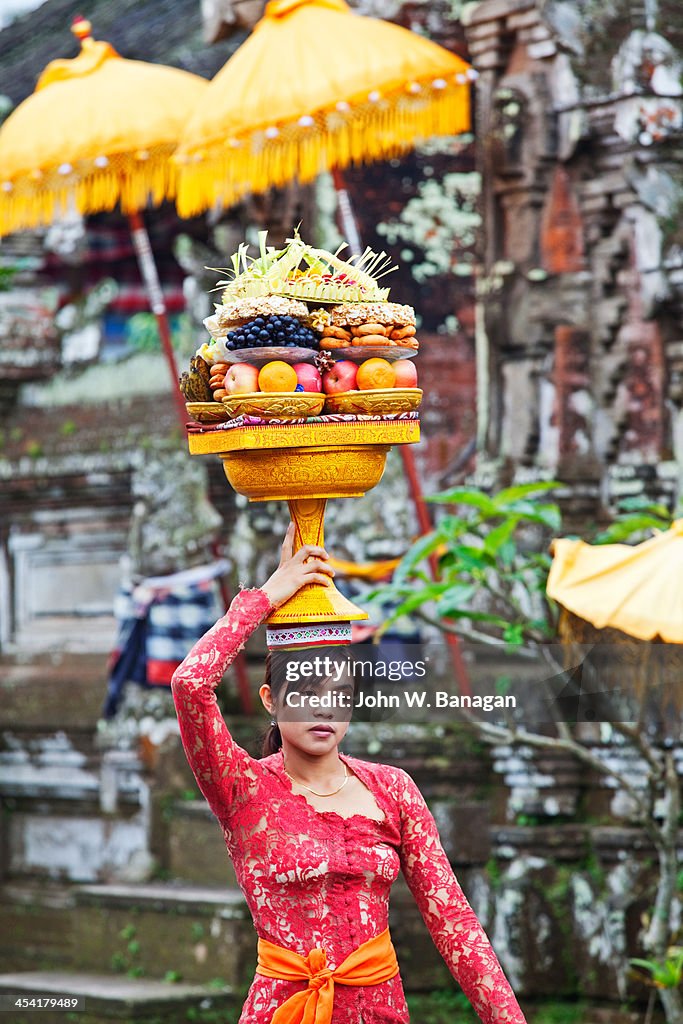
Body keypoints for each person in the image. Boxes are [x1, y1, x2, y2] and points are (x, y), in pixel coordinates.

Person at [171, 524, 528, 1024]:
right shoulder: (242, 788)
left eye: (338, 692)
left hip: (380, 1011)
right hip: (286, 1011)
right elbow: (190, 685)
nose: (325, 708)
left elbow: (454, 923)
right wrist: (266, 596)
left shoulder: (393, 789)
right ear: (271, 699)